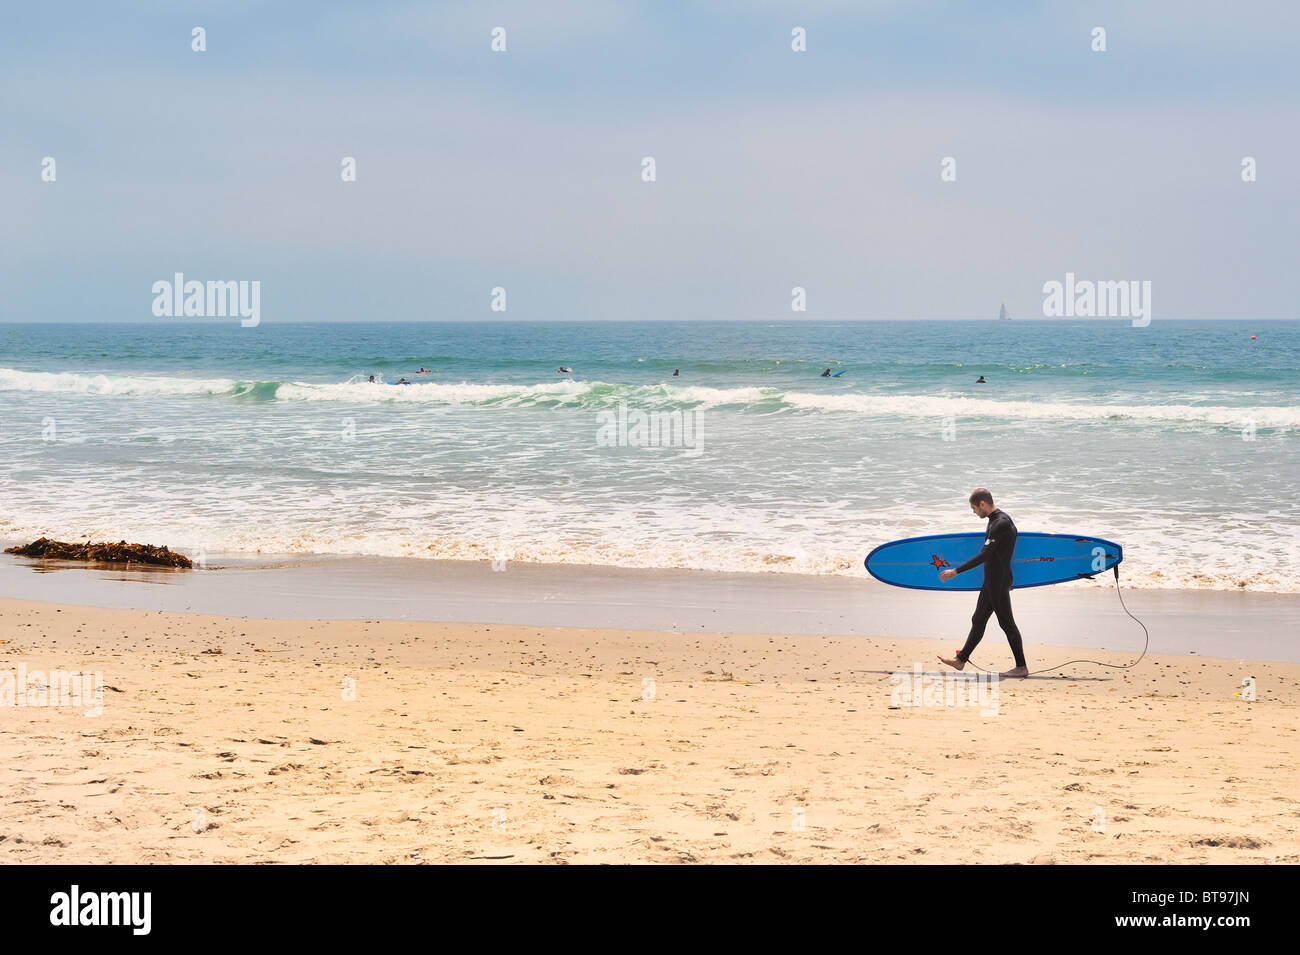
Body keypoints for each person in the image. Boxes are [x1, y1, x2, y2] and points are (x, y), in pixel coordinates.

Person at [937, 488, 1028, 678]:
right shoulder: (995, 521)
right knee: (978, 619)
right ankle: (961, 660)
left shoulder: (1000, 524)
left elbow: (985, 555)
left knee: (1007, 623)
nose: (974, 512)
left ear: (982, 504)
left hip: (998, 580)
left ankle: (1021, 667)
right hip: (992, 580)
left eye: (974, 508)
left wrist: (955, 571)